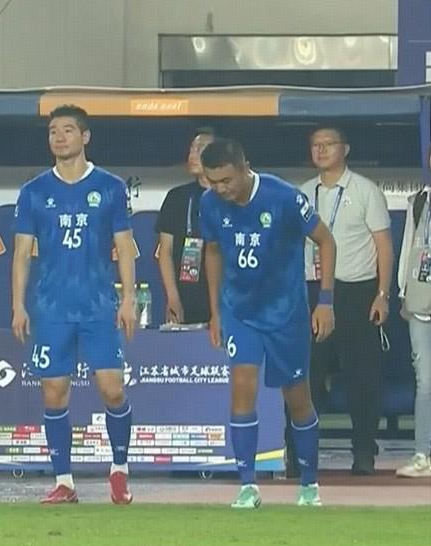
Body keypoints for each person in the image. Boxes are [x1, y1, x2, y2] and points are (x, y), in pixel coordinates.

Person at [199, 138, 336, 508]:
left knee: (297, 397)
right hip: (240, 312)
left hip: (285, 313)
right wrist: (216, 311)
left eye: (226, 180)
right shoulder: (209, 204)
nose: (220, 189)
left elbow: (326, 241)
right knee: (242, 387)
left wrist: (325, 301)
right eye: (213, 181)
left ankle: (309, 484)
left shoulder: (284, 197)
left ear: (245, 167)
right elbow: (213, 251)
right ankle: (248, 485)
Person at [11, 105, 136, 505]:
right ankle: (64, 481)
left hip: (99, 306)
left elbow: (124, 246)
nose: (59, 137)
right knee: (54, 393)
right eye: (53, 131)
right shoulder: (34, 192)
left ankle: (119, 470)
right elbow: (21, 253)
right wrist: (18, 305)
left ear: (85, 137)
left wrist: (129, 298)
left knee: (112, 390)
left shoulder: (110, 187)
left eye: (67, 130)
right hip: (52, 308)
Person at [298, 125, 392, 475]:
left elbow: (384, 246)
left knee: (361, 379)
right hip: (312, 292)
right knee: (307, 375)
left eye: (329, 144)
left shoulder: (365, 190)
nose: (321, 150)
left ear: (345, 149)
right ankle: (299, 452)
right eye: (315, 145)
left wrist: (382, 295)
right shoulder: (303, 193)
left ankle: (364, 452)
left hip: (356, 293)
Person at [156, 128, 215, 324]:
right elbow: (165, 251)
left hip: (225, 298)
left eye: (200, 148)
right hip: (187, 296)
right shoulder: (177, 197)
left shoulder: (229, 196)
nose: (192, 155)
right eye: (191, 149)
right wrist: (172, 297)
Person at [396, 156, 431, 478]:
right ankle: (423, 454)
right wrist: (402, 291)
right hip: (421, 300)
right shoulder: (419, 201)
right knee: (425, 381)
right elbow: (409, 245)